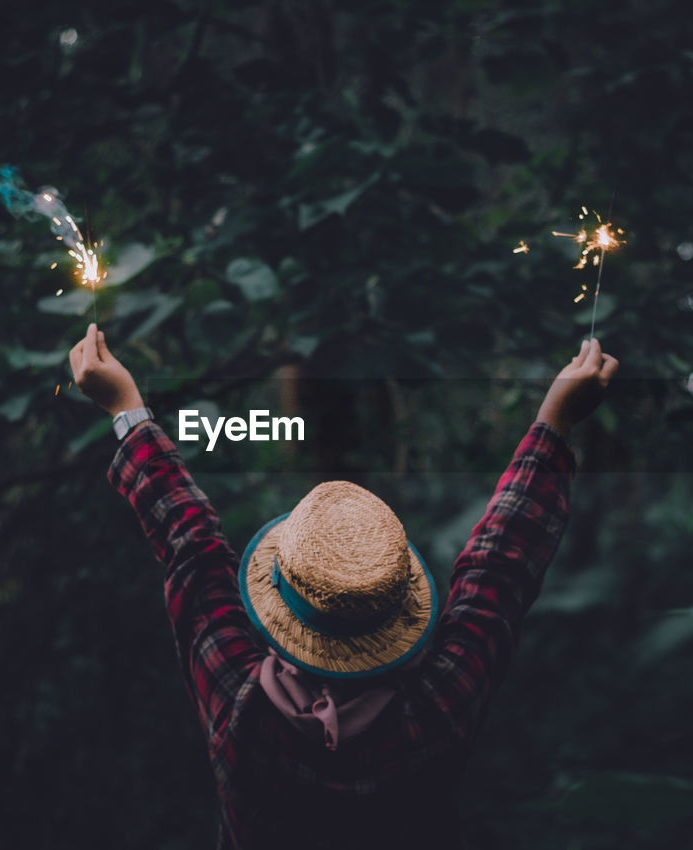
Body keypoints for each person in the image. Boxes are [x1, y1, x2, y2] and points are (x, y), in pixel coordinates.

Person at [67, 323, 619, 850]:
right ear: (394, 612)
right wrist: (554, 423)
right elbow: (498, 571)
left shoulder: (240, 708)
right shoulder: (437, 711)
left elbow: (192, 547)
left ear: (279, 605)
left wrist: (127, 411)